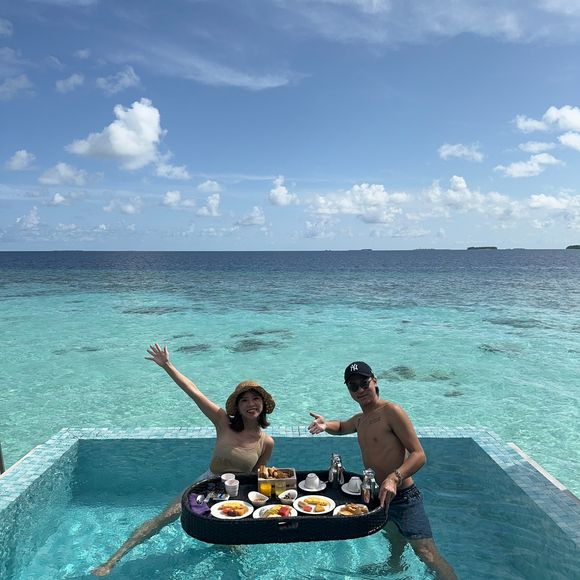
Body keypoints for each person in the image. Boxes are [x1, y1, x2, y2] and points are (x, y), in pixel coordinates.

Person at [92, 343, 275, 576]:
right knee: (163, 518)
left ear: (263, 404)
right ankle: (112, 561)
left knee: (233, 547)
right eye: (244, 400)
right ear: (237, 407)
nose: (251, 404)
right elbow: (194, 392)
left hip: (234, 493)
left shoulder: (266, 442)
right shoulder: (223, 422)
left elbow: (255, 476)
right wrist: (167, 365)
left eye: (255, 398)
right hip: (206, 484)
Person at [308, 361, 457, 580]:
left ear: (375, 381)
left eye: (364, 383)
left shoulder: (391, 411)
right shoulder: (360, 419)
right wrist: (325, 424)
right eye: (353, 386)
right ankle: (395, 567)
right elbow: (341, 427)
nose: (360, 390)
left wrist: (394, 477)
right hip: (381, 496)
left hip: (404, 497)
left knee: (426, 553)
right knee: (394, 541)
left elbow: (419, 454)